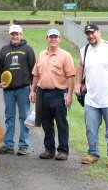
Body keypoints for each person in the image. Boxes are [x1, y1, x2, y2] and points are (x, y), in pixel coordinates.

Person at [75, 23, 108, 168]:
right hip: (91, 99)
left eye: (93, 33)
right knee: (91, 129)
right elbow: (80, 66)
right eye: (88, 34)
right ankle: (93, 154)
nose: (90, 36)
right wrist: (78, 83)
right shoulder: (84, 50)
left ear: (99, 32)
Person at [29, 29, 75, 160]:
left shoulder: (65, 55)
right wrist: (33, 91)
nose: (53, 39)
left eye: (55, 37)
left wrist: (70, 95)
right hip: (43, 93)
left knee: (61, 123)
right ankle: (49, 149)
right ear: (47, 38)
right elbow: (36, 75)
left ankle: (63, 151)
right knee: (46, 123)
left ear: (59, 39)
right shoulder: (42, 54)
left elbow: (71, 76)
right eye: (51, 37)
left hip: (59, 93)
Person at [0, 25, 36, 156]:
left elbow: (33, 71)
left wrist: (33, 89)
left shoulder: (28, 49)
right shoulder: (4, 49)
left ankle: (23, 145)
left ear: (21, 35)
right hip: (8, 90)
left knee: (24, 117)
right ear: (10, 35)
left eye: (17, 34)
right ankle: (8, 145)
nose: (15, 36)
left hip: (23, 89)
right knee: (9, 117)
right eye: (12, 34)